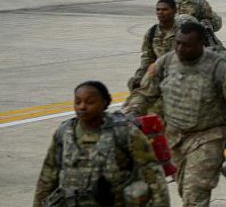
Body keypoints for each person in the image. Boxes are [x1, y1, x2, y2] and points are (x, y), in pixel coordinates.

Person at [124, 22, 226, 206]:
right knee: (184, 189)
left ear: (200, 44)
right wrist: (132, 112)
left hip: (209, 138)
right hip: (175, 139)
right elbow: (144, 92)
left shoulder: (220, 68)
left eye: (186, 45)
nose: (180, 48)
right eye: (178, 43)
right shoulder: (166, 63)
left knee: (195, 193)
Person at [34, 81, 170, 207]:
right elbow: (47, 176)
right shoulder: (64, 132)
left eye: (90, 102)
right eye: (78, 102)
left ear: (105, 103)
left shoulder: (124, 132)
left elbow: (152, 174)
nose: (82, 107)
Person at [128, 0, 178, 92]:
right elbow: (147, 58)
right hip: (158, 73)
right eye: (158, 10)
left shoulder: (183, 32)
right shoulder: (152, 32)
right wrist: (140, 77)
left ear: (174, 11)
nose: (160, 12)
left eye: (165, 9)